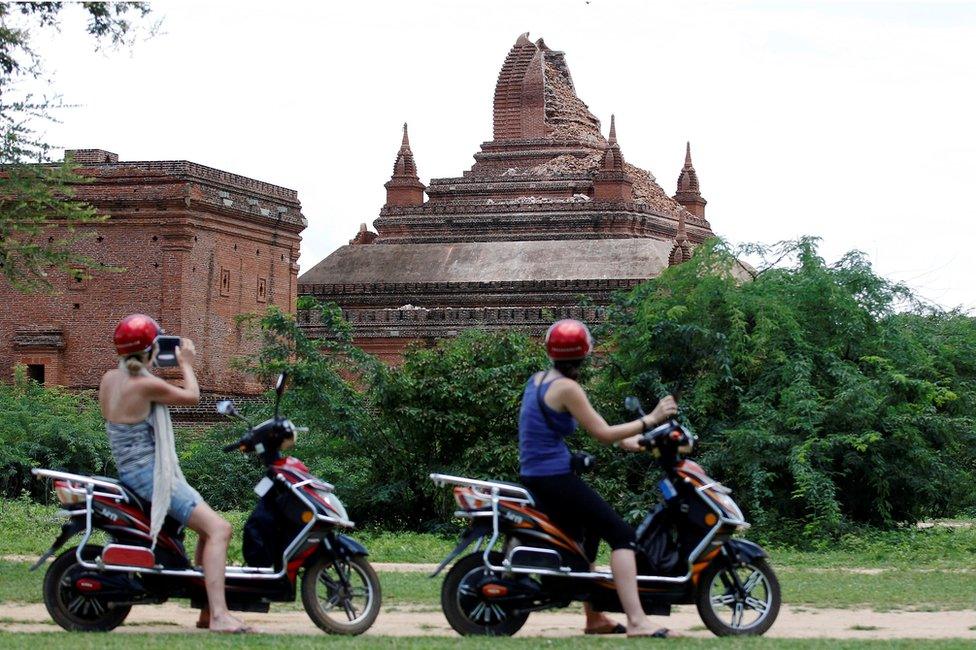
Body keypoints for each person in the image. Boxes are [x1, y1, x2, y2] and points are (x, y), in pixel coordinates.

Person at [518, 318, 678, 638]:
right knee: (622, 535)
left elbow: (592, 424)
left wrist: (625, 441)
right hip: (554, 478)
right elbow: (602, 432)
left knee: (588, 537)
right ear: (584, 355)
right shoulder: (567, 388)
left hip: (539, 475)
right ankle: (637, 621)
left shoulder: (538, 380)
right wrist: (652, 419)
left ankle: (595, 619)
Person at [99, 314, 250, 633]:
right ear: (150, 349)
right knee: (219, 529)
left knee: (207, 530)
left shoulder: (109, 379)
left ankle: (208, 611)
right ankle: (221, 616)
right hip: (150, 476)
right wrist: (187, 363)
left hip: (132, 470)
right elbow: (192, 396)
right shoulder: (145, 384)